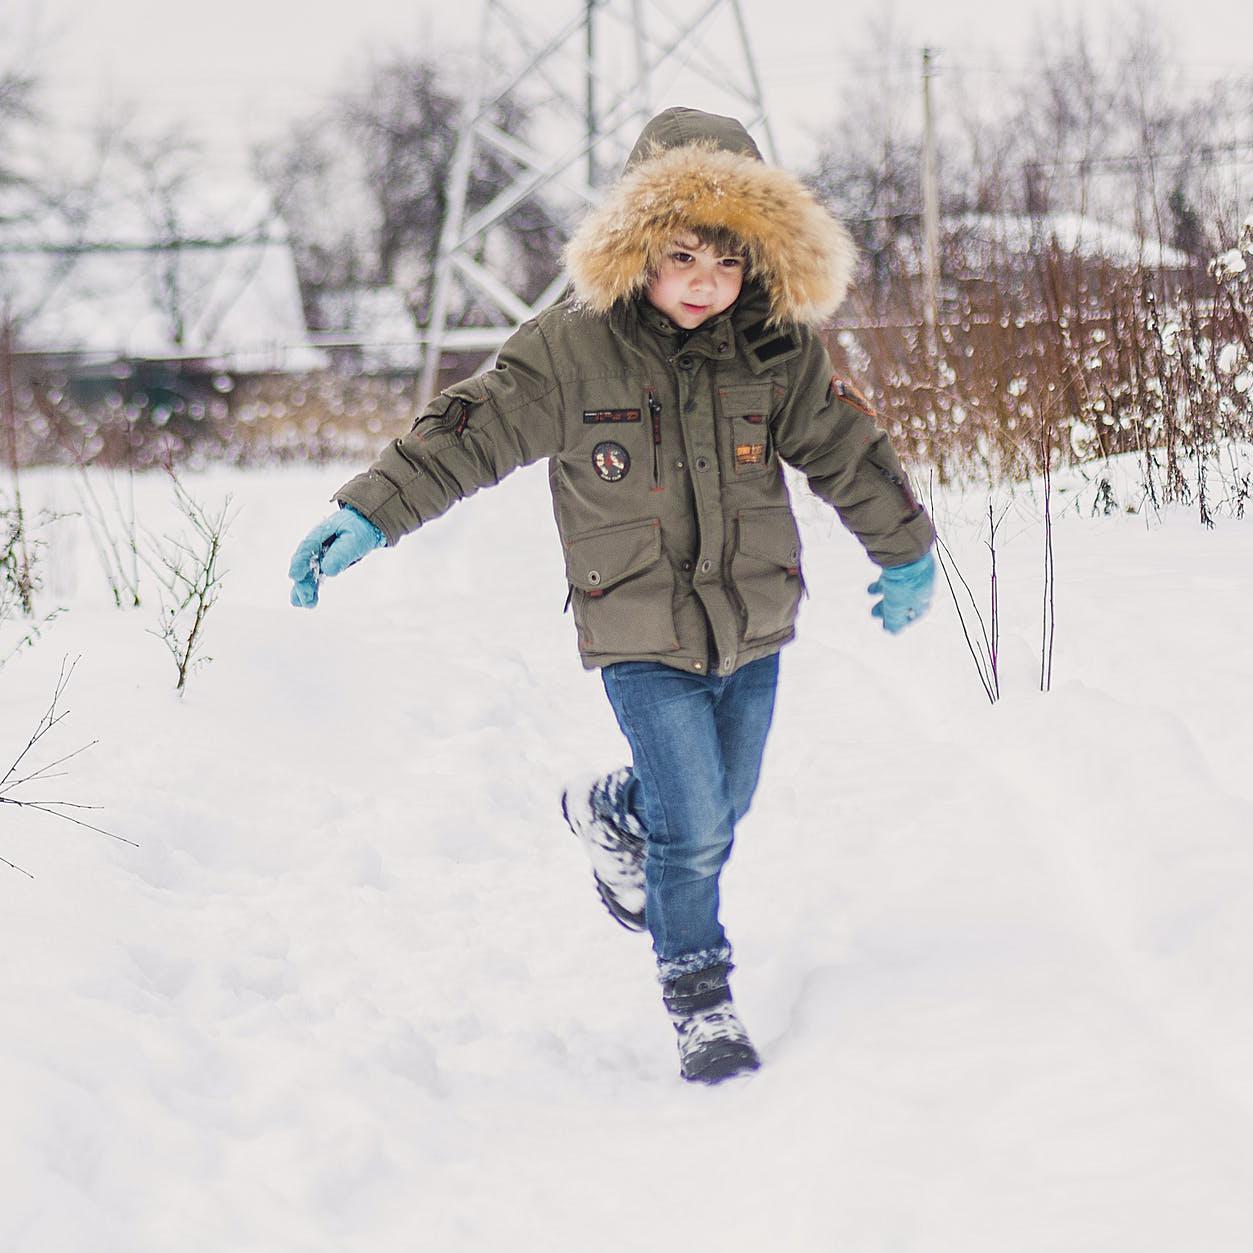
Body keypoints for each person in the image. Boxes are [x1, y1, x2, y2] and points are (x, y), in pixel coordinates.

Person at [288, 107, 936, 1085]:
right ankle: (697, 994)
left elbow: (846, 448)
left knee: (722, 804)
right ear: (636, 248)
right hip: (636, 628)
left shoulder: (775, 349)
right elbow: (470, 429)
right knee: (695, 822)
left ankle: (610, 809)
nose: (704, 286)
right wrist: (372, 510)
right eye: (682, 261)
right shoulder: (571, 348)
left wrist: (905, 550)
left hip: (752, 622)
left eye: (727, 265)